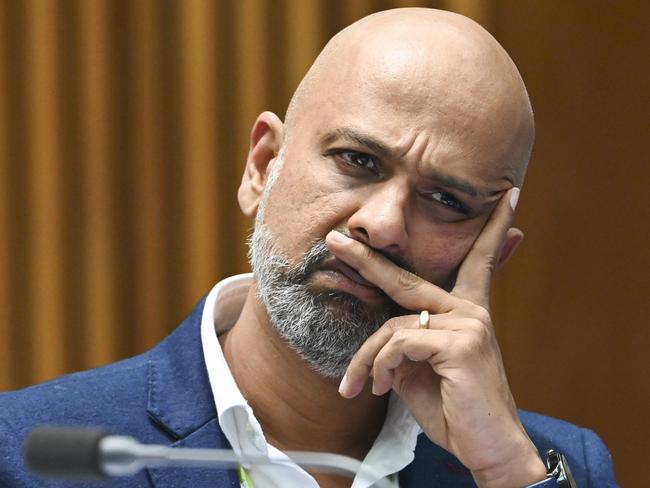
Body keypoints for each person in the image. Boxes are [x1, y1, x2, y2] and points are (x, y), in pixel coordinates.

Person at [0, 7, 617, 488]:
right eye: (358, 160)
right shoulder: (27, 454)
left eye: (447, 201)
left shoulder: (549, 468)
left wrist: (508, 475)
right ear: (262, 166)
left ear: (493, 257)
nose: (382, 226)